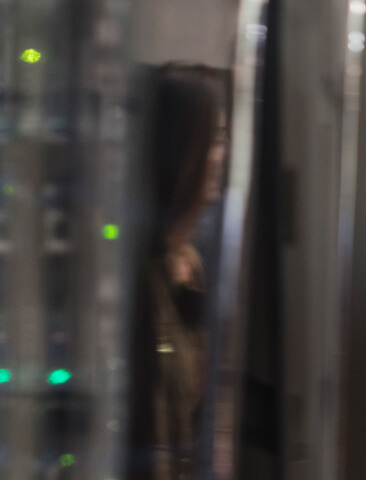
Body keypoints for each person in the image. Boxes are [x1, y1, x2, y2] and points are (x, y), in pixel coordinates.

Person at [126, 63, 231, 480]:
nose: (222, 155)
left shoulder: (191, 266)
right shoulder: (139, 273)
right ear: (185, 151)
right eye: (217, 139)